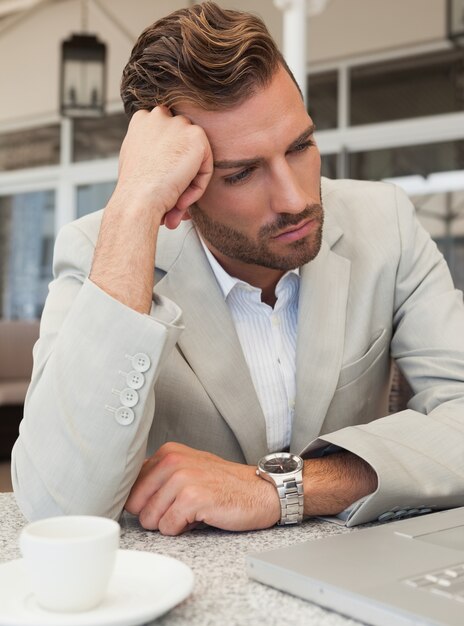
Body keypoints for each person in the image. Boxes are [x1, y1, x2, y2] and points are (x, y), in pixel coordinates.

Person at [12, 2, 464, 535]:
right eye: (242, 173)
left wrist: (287, 489)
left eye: (301, 147)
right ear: (182, 181)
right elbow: (57, 508)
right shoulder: (103, 251)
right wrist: (133, 209)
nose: (295, 199)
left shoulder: (383, 221)